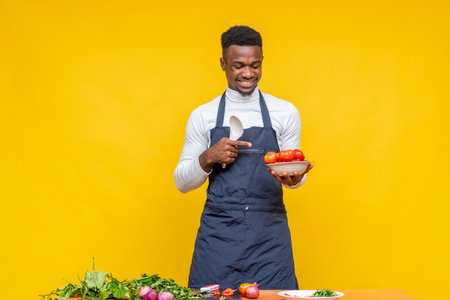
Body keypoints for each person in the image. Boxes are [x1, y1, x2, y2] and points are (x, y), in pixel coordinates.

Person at [174, 25, 313, 290]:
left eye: (255, 65)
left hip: (269, 237)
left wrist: (294, 179)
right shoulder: (203, 115)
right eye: (238, 66)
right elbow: (182, 183)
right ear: (223, 64)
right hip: (218, 236)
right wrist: (208, 157)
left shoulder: (284, 112)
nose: (248, 74)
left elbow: (294, 176)